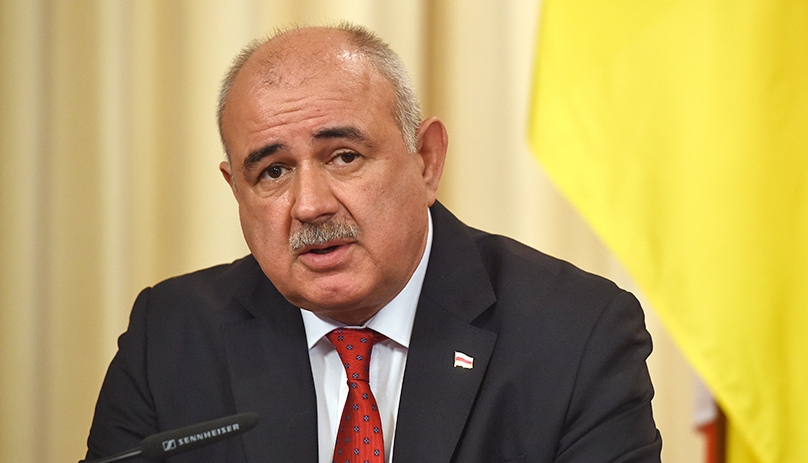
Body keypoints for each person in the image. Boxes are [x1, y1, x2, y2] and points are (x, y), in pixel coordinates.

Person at [83, 23, 662, 462]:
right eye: (273, 172)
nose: (310, 205)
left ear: (426, 161)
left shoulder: (576, 333)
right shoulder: (171, 337)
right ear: (236, 190)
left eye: (344, 157)